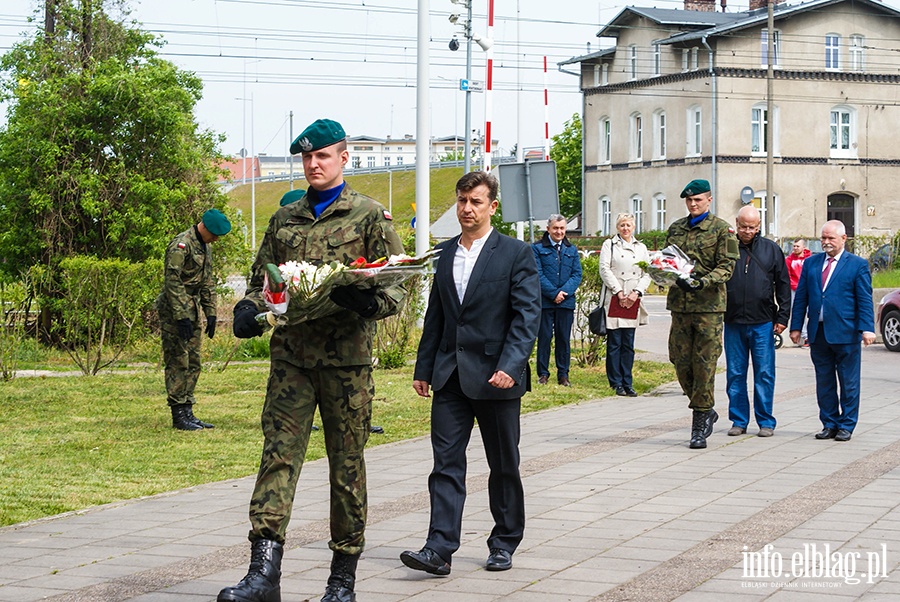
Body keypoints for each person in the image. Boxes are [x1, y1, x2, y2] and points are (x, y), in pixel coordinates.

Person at [220, 118, 407, 602]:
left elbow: (397, 288)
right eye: (306, 157)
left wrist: (367, 303)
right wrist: (247, 309)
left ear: (343, 158)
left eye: (321, 156)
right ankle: (263, 574)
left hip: (346, 365)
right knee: (277, 459)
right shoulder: (285, 218)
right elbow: (261, 281)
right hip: (292, 362)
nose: (312, 164)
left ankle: (341, 580)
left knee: (346, 468)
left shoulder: (370, 216)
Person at [400, 171, 541, 576]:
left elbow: (526, 316)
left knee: (504, 465)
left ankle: (504, 542)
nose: (467, 209)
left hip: (497, 377)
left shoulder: (515, 253)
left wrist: (510, 367)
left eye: (475, 201)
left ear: (492, 206)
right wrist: (423, 367)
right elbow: (437, 316)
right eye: (462, 200)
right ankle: (439, 549)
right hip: (450, 378)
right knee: (445, 465)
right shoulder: (445, 253)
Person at [666, 179, 739, 449]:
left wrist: (701, 282)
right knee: (680, 361)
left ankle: (699, 423)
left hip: (709, 307)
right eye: (689, 200)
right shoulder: (676, 229)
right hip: (680, 305)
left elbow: (726, 267)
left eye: (698, 199)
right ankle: (706, 409)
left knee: (704, 364)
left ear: (709, 200)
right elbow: (668, 261)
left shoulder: (722, 230)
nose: (693, 204)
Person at [789, 220, 875, 442]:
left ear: (843, 239)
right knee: (824, 381)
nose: (826, 242)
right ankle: (829, 423)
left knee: (849, 382)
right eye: (823, 238)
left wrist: (867, 328)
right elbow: (801, 297)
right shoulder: (812, 263)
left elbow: (864, 299)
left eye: (831, 238)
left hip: (846, 333)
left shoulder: (857, 265)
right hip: (818, 333)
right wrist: (796, 327)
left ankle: (847, 425)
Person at [156, 208, 231, 431]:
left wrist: (211, 313)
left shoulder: (205, 246)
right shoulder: (182, 244)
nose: (216, 240)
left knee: (194, 359)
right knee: (179, 359)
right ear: (204, 228)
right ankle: (178, 412)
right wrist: (181, 315)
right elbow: (173, 281)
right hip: (174, 308)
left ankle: (188, 408)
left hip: (192, 307)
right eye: (215, 235)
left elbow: (207, 282)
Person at [723, 206, 791, 438]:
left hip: (762, 322)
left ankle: (766, 421)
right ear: (736, 223)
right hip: (733, 321)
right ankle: (739, 420)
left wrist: (783, 318)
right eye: (743, 226)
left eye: (752, 227)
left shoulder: (771, 250)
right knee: (735, 373)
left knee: (764, 373)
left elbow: (783, 284)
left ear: (759, 226)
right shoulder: (727, 248)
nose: (747, 231)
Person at [598, 213, 650, 397]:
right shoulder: (609, 245)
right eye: (622, 225)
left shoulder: (641, 247)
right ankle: (616, 382)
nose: (625, 228)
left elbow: (647, 272)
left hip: (633, 298)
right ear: (617, 227)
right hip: (615, 297)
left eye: (628, 225)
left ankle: (628, 382)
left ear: (633, 227)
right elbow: (604, 269)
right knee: (614, 342)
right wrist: (618, 291)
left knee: (628, 343)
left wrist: (637, 292)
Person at [532, 214, 582, 387]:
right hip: (545, 302)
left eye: (562, 228)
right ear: (548, 229)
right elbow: (537, 274)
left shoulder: (571, 249)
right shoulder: (537, 248)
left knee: (563, 339)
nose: (559, 232)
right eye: (556, 228)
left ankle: (563, 375)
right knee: (544, 338)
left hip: (565, 303)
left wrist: (564, 292)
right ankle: (543, 374)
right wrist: (553, 293)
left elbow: (577, 274)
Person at [785, 238, 812, 346]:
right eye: (794, 246)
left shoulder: (809, 259)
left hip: (809, 288)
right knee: (797, 311)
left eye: (798, 246)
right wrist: (794, 286)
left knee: (812, 311)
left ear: (803, 247)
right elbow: (787, 275)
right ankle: (805, 337)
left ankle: (811, 335)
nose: (795, 248)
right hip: (794, 289)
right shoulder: (789, 260)